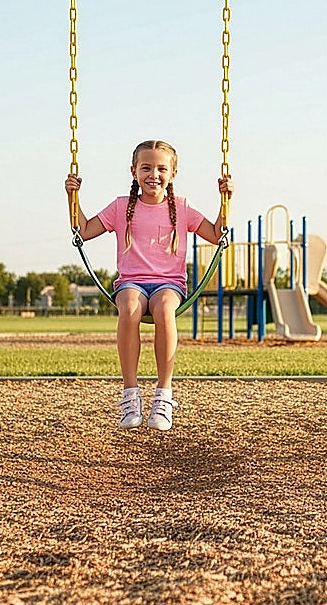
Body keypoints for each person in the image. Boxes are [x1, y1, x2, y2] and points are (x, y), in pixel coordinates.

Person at [65, 139, 233, 432]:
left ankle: (163, 395)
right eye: (146, 168)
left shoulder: (182, 207)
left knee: (165, 309)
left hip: (169, 283)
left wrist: (226, 200)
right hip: (131, 282)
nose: (153, 174)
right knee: (130, 306)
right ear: (134, 171)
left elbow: (217, 234)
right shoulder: (121, 207)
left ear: (173, 173)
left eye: (161, 169)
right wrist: (73, 197)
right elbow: (86, 229)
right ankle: (130, 394)